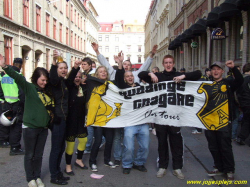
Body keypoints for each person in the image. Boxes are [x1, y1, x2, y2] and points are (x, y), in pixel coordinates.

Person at [138, 55, 201, 179]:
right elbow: (141, 74)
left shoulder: (178, 75)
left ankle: (177, 168)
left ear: (173, 63)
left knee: (176, 143)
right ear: (163, 64)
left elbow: (198, 74)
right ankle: (162, 166)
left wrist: (184, 76)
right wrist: (151, 74)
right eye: (166, 62)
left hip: (175, 118)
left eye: (170, 62)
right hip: (160, 117)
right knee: (162, 143)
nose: (168, 64)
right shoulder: (159, 77)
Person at [0, 54, 54, 187]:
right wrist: (4, 66)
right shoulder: (29, 88)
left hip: (43, 129)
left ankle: (37, 177)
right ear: (36, 79)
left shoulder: (48, 91)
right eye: (42, 80)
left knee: (39, 155)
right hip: (30, 128)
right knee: (30, 155)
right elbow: (16, 76)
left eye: (46, 80)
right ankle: (30, 178)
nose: (44, 83)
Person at [205, 61, 243, 180]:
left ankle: (229, 169)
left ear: (222, 71)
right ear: (211, 72)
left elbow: (240, 80)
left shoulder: (228, 83)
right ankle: (219, 167)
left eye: (218, 69)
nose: (215, 71)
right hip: (209, 121)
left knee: (225, 146)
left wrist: (233, 68)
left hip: (224, 121)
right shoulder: (207, 84)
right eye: (213, 69)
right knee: (213, 146)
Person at [49, 50, 81, 185]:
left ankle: (57, 172)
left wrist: (75, 68)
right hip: (57, 119)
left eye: (65, 68)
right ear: (57, 70)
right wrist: (54, 62)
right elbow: (53, 77)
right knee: (56, 148)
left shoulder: (64, 82)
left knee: (61, 147)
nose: (63, 70)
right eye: (60, 68)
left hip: (64, 119)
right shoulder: (55, 82)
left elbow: (69, 79)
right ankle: (54, 175)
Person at [114, 53, 150, 174]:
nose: (130, 77)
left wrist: (152, 74)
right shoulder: (122, 88)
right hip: (130, 122)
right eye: (127, 76)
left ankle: (139, 163)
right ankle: (127, 164)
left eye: (131, 76)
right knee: (129, 147)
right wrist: (120, 63)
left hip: (143, 122)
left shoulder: (141, 87)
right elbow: (118, 79)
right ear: (125, 79)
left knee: (145, 147)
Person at [86, 66, 116, 172]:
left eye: (104, 71)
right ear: (97, 74)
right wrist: (102, 82)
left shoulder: (111, 85)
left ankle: (107, 160)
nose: (103, 73)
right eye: (100, 72)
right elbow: (88, 78)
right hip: (97, 119)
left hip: (109, 118)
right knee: (98, 140)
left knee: (109, 140)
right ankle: (92, 161)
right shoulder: (92, 83)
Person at [91, 42, 158, 83]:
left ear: (131, 67)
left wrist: (151, 55)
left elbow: (144, 67)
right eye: (125, 64)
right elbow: (106, 64)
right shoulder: (114, 73)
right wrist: (97, 52)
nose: (126, 66)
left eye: (128, 65)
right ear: (121, 65)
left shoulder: (135, 74)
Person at [64, 71, 88, 176]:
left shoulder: (83, 88)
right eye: (75, 77)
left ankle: (79, 160)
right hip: (70, 121)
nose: (77, 78)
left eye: (79, 77)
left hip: (81, 120)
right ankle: (68, 165)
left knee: (84, 140)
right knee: (71, 144)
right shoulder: (69, 88)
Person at [0, 58, 25, 155]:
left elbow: (1, 91)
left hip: (6, 103)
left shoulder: (5, 76)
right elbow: (22, 93)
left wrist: (4, 100)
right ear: (21, 65)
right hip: (17, 104)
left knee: (6, 124)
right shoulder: (18, 76)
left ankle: (5, 140)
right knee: (16, 126)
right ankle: (15, 147)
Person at [236, 63, 250, 145]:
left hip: (243, 103)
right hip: (248, 103)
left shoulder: (240, 79)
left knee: (246, 120)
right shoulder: (248, 80)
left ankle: (241, 137)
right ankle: (241, 137)